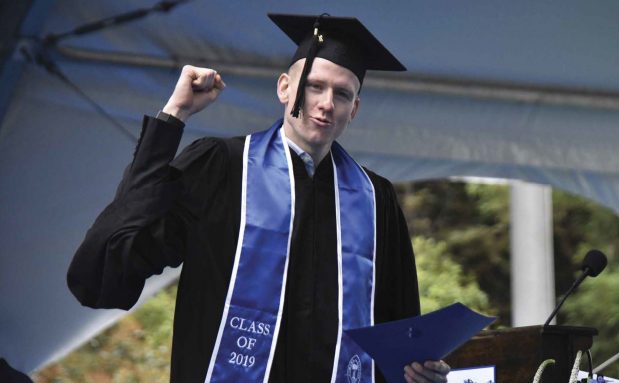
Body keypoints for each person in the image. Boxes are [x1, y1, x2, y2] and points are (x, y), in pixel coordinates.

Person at [67, 13, 450, 383]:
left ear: (355, 110)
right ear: (285, 87)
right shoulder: (222, 168)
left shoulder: (374, 199)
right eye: (314, 86)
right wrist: (174, 116)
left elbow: (398, 332)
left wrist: (417, 370)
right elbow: (116, 260)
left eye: (343, 94)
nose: (326, 103)